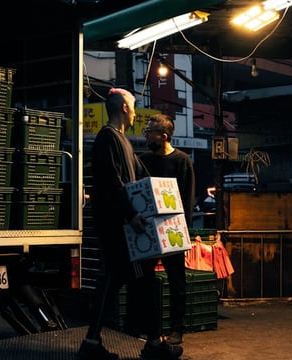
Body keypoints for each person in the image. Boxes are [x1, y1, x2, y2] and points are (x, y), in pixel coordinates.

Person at [78, 89, 183, 360]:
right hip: (120, 228)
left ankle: (94, 342)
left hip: (122, 225)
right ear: (124, 108)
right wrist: (131, 215)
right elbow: (112, 182)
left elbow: (141, 175)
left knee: (118, 281)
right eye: (134, 107)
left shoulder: (121, 141)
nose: (136, 113)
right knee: (138, 280)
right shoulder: (108, 139)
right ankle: (151, 343)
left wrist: (163, 199)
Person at [131, 113, 195, 350]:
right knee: (145, 280)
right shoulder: (143, 160)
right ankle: (151, 329)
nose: (146, 136)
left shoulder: (182, 161)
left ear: (164, 136)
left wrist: (184, 231)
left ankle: (177, 329)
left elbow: (188, 197)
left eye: (150, 132)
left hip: (173, 230)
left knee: (177, 281)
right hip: (147, 229)